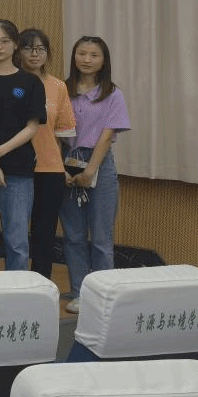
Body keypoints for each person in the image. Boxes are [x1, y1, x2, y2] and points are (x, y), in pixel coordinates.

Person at [58, 36, 131, 314]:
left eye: (94, 55)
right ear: (74, 56)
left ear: (103, 60)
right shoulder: (62, 89)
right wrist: (61, 169)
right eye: (82, 53)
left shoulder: (112, 93)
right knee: (73, 235)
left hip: (100, 163)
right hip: (66, 162)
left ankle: (104, 296)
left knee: (101, 237)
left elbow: (106, 136)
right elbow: (53, 131)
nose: (86, 60)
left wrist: (90, 171)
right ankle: (79, 292)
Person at [0, 20, 46, 272]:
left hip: (18, 168)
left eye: (4, 41)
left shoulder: (30, 82)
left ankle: (17, 291)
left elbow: (32, 127)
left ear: (15, 45)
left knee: (17, 241)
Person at [18, 28, 76, 281]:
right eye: (28, 48)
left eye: (40, 49)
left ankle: (41, 284)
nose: (35, 54)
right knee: (16, 233)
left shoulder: (58, 86)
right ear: (18, 51)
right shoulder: (13, 82)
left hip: (50, 168)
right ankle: (16, 285)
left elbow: (63, 133)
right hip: (17, 167)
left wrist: (62, 166)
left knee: (45, 233)